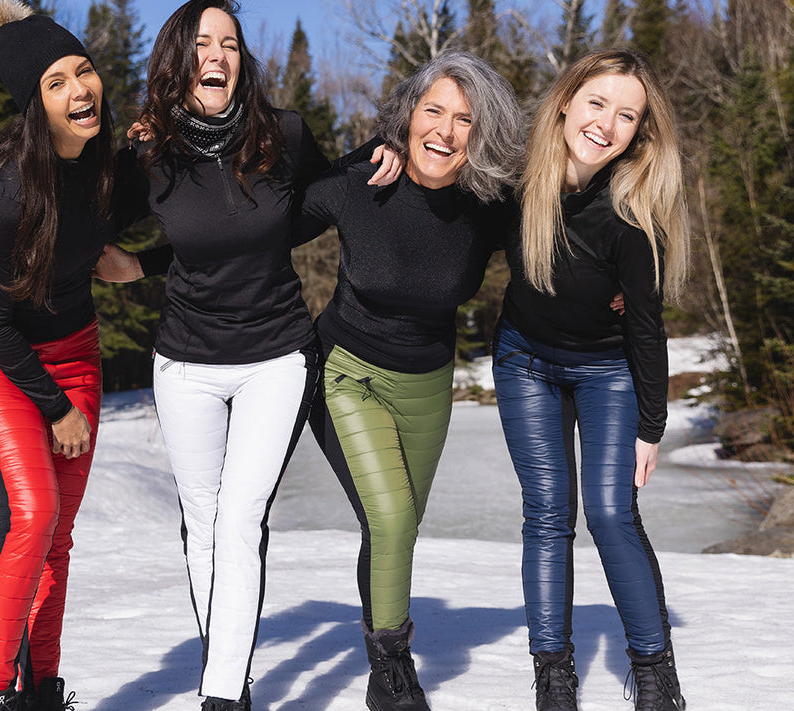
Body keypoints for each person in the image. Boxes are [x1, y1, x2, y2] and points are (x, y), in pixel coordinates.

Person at [88, 2, 398, 708]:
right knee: (201, 517)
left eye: (230, 42)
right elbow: (80, 218)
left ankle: (222, 694)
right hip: (186, 361)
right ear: (179, 59)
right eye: (203, 43)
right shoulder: (149, 154)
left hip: (274, 354)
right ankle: (228, 663)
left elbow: (321, 197)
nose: (219, 54)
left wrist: (387, 150)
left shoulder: (281, 134)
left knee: (239, 517)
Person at [297, 52, 524, 711]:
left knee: (394, 527)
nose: (446, 132)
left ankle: (381, 643)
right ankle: (391, 669)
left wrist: (622, 293)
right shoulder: (360, 176)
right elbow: (254, 230)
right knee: (392, 515)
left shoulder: (488, 204)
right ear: (408, 115)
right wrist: (142, 261)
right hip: (345, 371)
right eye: (434, 112)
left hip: (428, 384)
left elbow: (555, 253)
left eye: (465, 120)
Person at [0, 2, 134, 710]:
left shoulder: (112, 167)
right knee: (31, 515)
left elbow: (196, 209)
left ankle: (42, 688)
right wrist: (55, 408)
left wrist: (141, 262)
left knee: (60, 534)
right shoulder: (8, 194)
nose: (81, 90)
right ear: (33, 105)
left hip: (76, 350)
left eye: (84, 71)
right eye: (57, 83)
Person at [491, 49, 690, 711]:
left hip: (609, 372)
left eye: (627, 115)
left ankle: (656, 676)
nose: (607, 123)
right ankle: (554, 677)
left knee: (609, 512)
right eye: (598, 103)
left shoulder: (632, 211)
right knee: (547, 514)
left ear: (640, 132)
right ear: (568, 99)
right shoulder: (518, 177)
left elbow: (646, 325)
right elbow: (448, 219)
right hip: (524, 361)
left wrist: (650, 426)